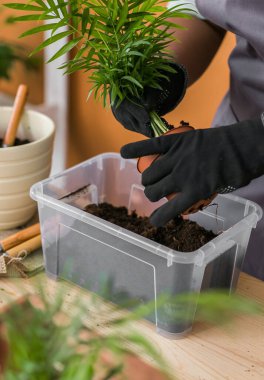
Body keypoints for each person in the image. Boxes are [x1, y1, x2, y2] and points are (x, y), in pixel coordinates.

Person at [111, 0, 264, 281]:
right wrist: (162, 71)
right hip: (232, 138)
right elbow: (204, 8)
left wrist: (253, 143)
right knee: (234, 281)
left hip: (238, 146)